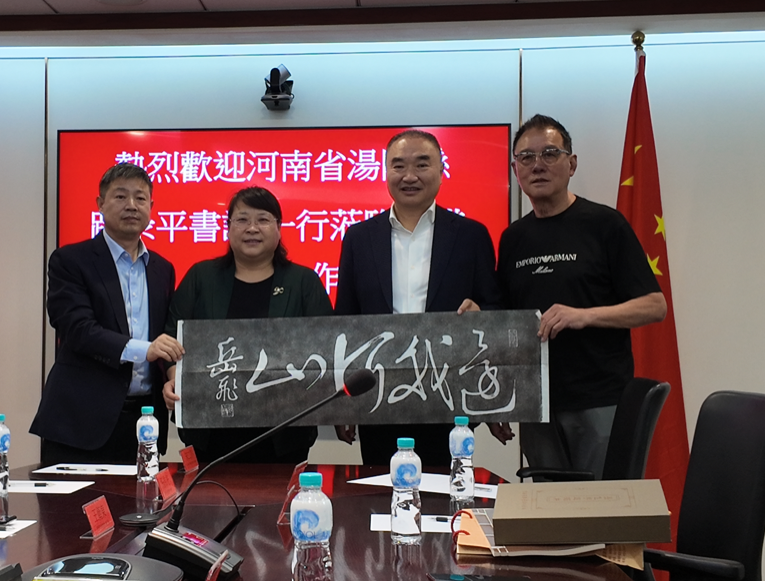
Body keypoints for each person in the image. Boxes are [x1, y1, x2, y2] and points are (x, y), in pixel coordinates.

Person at [492, 114, 666, 479]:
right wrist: (499, 400)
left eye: (549, 153)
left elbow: (654, 306)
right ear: (514, 169)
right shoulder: (513, 239)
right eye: (526, 157)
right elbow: (505, 323)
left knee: (602, 506)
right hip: (536, 404)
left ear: (571, 164)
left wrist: (584, 315)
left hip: (599, 401)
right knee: (549, 508)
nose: (537, 165)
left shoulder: (605, 225)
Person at [334, 129, 501, 467]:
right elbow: (344, 322)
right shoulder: (359, 238)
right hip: (378, 398)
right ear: (385, 172)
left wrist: (481, 312)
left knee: (447, 490)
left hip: (451, 399)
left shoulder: (471, 236)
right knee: (379, 490)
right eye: (398, 166)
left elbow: (496, 309)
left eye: (422, 165)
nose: (409, 176)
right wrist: (344, 402)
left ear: (441, 170)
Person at [162, 186, 332, 464]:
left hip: (285, 432)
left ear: (279, 228)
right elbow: (172, 337)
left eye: (263, 219)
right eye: (242, 219)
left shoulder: (303, 282)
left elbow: (328, 346)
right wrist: (174, 378)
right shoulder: (201, 278)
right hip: (209, 429)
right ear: (228, 227)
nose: (252, 228)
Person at [30, 163, 184, 465]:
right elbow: (77, 329)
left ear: (151, 207)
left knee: (143, 498)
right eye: (120, 196)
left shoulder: (162, 269)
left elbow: (164, 336)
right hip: (81, 422)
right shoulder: (70, 260)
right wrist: (146, 349)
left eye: (140, 198)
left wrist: (171, 374)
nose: (132, 205)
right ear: (100, 204)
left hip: (144, 423)